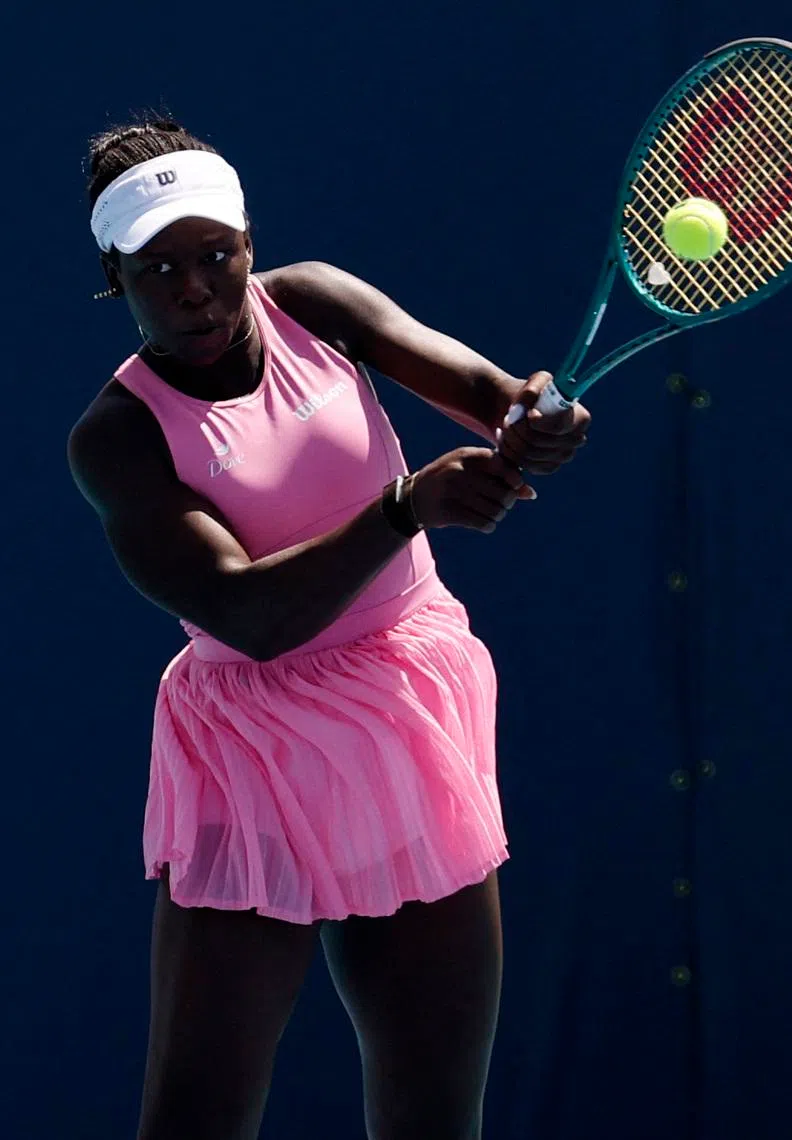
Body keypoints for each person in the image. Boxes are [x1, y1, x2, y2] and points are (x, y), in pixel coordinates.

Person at [66, 117, 590, 1140]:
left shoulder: (313, 301)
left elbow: (495, 399)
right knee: (196, 1119)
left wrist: (539, 418)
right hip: (249, 752)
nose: (193, 289)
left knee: (436, 1112)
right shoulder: (117, 440)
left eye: (214, 255)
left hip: (403, 711)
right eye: (159, 268)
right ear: (115, 277)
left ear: (249, 244)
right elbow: (249, 614)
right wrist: (405, 508)